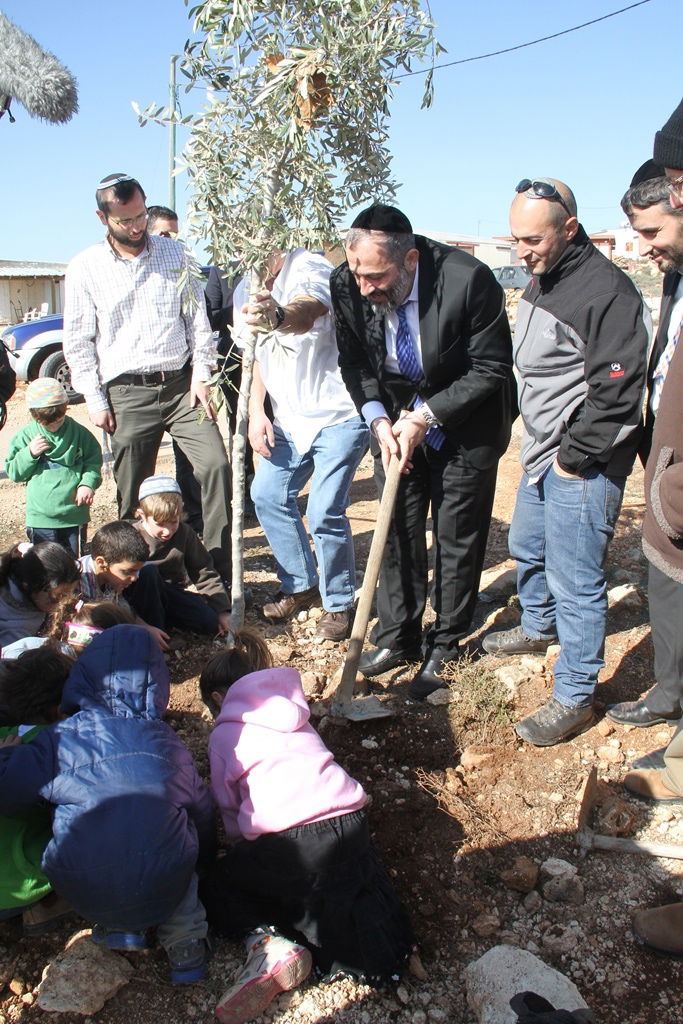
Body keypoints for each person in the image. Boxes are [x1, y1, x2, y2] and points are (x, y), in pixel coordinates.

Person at [482, 178, 650, 747]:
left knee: (576, 580)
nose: (521, 251)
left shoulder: (608, 293)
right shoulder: (542, 279)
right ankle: (537, 626)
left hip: (582, 463)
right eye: (515, 239)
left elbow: (618, 396)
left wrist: (573, 462)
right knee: (527, 546)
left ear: (570, 229)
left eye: (533, 238)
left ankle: (576, 693)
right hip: (542, 454)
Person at [330, 204, 514, 697]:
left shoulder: (467, 280)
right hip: (393, 421)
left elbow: (491, 368)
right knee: (397, 529)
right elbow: (354, 362)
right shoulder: (348, 282)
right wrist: (379, 419)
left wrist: (425, 416)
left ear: (410, 258)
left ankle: (447, 642)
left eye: (376, 276)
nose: (365, 288)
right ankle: (400, 635)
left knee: (456, 534)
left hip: (463, 420)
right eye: (357, 275)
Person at [198, 629, 415, 1024]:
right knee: (354, 880)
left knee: (219, 885)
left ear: (217, 698)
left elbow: (229, 807)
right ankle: (388, 949)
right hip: (349, 820)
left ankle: (267, 942)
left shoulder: (225, 734)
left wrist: (237, 851)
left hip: (291, 841)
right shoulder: (296, 715)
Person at [0, 625, 215, 983]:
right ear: (157, 684)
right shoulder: (169, 744)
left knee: (89, 842)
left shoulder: (58, 739)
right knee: (179, 858)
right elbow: (202, 811)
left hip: (81, 886)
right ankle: (186, 947)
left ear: (84, 676)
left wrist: (7, 758)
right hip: (163, 881)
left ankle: (117, 928)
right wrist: (203, 861)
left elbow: (8, 793)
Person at [62, 172, 232, 583]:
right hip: (126, 393)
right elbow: (79, 341)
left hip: (182, 386)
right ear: (102, 218)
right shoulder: (85, 267)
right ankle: (133, 579)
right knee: (131, 488)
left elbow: (198, 323)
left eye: (140, 215)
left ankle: (215, 570)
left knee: (216, 466)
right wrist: (96, 400)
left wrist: (202, 373)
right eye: (126, 220)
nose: (137, 226)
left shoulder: (177, 255)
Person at [235, 249, 369, 641]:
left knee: (325, 509)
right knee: (267, 495)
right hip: (288, 421)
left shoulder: (310, 266)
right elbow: (256, 354)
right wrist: (258, 412)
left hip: (339, 415)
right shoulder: (246, 285)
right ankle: (300, 583)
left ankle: (339, 602)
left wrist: (276, 315)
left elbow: (307, 310)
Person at [606, 175, 683, 729]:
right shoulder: (675, 276)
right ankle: (671, 690)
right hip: (664, 452)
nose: (645, 246)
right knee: (665, 577)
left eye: (653, 230)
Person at [5, 378, 102, 556]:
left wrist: (88, 483)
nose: (54, 426)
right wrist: (30, 453)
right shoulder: (26, 436)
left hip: (74, 516)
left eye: (59, 420)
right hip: (40, 518)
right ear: (34, 414)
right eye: (48, 423)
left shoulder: (80, 434)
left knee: (74, 565)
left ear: (66, 406)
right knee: (45, 569)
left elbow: (93, 462)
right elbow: (14, 473)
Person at [133, 475, 231, 636]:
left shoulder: (185, 533)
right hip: (141, 599)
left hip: (170, 594)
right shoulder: (132, 535)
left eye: (173, 522)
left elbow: (203, 570)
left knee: (209, 622)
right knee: (148, 572)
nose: (167, 531)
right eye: (160, 524)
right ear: (142, 514)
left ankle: (167, 621)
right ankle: (155, 633)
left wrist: (222, 610)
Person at [77, 520, 170, 651]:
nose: (135, 578)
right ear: (101, 562)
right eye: (128, 571)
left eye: (137, 571)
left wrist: (146, 627)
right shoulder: (75, 582)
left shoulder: (110, 577)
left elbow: (120, 604)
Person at [0, 542, 79, 647]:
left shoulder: (26, 565)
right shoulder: (15, 630)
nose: (63, 603)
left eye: (68, 594)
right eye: (56, 598)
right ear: (27, 586)